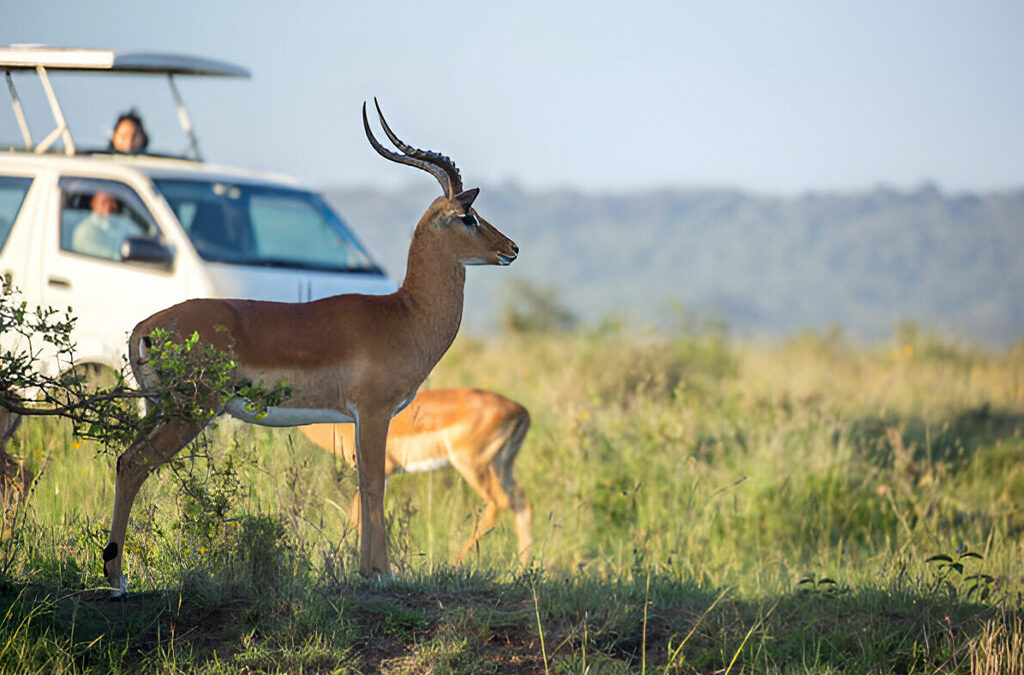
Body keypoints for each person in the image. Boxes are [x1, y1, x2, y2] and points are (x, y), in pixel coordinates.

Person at [71, 191, 137, 260]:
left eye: (113, 202)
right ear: (94, 204)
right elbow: (109, 259)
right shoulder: (86, 231)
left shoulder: (117, 224)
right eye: (104, 202)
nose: (110, 206)